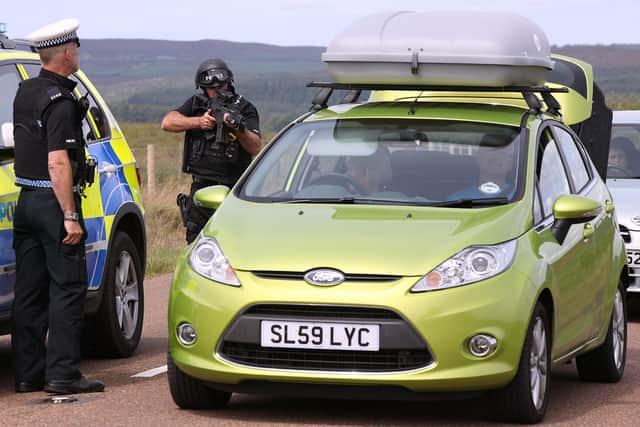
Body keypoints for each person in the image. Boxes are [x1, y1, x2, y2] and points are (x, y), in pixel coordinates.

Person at [11, 19, 104, 394]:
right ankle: (63, 374)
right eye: (76, 49)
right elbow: (57, 162)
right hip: (52, 203)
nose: (77, 54)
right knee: (68, 287)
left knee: (29, 291)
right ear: (67, 53)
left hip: (26, 202)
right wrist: (69, 215)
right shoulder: (61, 101)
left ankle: (27, 374)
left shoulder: (25, 91)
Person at [161, 59, 262, 243]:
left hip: (235, 188)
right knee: (198, 243)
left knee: (235, 242)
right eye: (212, 88)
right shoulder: (196, 104)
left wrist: (237, 129)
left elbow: (255, 146)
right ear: (203, 87)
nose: (218, 91)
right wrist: (198, 122)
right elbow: (167, 122)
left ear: (229, 83)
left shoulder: (245, 108)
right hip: (202, 186)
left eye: (222, 85)